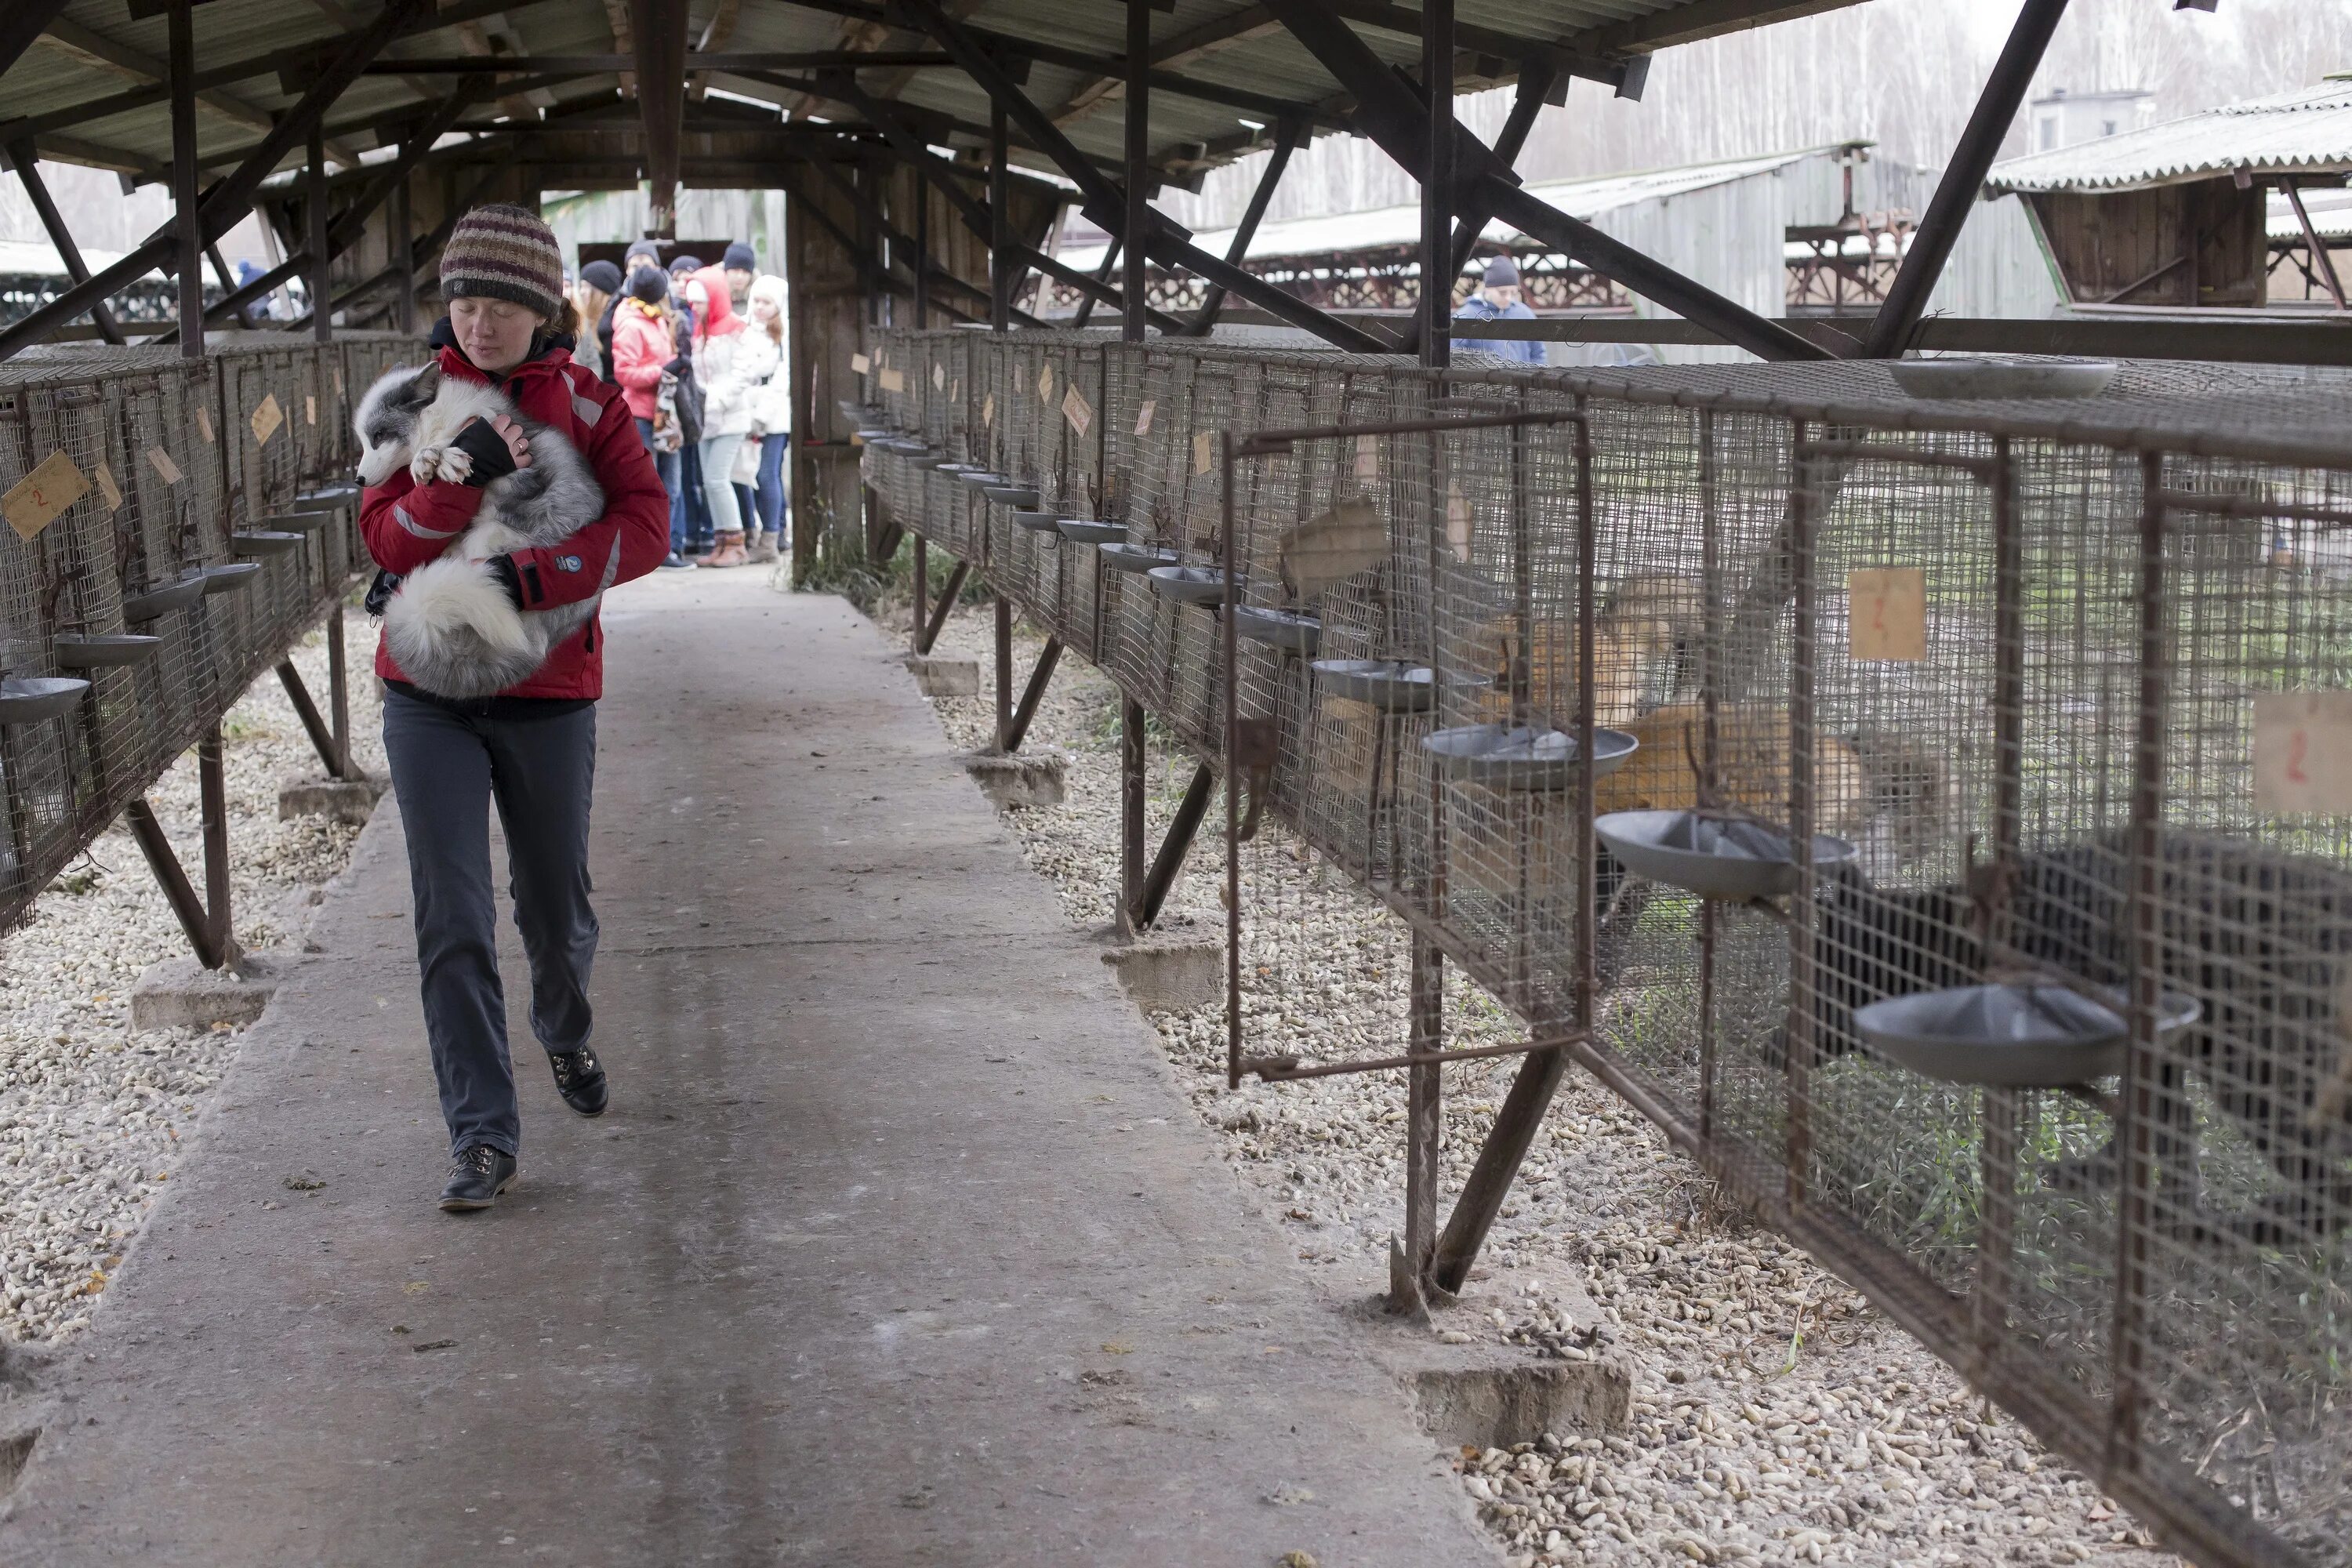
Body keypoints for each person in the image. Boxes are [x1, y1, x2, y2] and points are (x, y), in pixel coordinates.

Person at [354, 204, 670, 1213]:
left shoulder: (586, 403)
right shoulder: (412, 399)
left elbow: (648, 524)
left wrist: (533, 580)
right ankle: (482, 1134)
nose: (477, 323)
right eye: (462, 300)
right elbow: (387, 543)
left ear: (543, 311)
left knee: (551, 906)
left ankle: (565, 1026)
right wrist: (452, 488)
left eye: (499, 305)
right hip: (427, 693)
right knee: (451, 910)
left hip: (546, 690)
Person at [610, 264, 693, 569]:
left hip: (665, 415)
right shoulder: (632, 323)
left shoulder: (656, 319)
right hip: (642, 416)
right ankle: (651, 552)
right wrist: (663, 371)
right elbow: (624, 373)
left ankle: (666, 549)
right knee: (651, 488)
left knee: (671, 486)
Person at [684, 263, 760, 568]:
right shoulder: (697, 331)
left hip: (731, 417)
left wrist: (714, 400)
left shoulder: (737, 329)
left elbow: (744, 374)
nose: (694, 307)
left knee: (717, 479)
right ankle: (721, 544)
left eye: (700, 301)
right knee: (709, 480)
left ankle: (736, 545)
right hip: (706, 420)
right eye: (692, 301)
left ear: (715, 297)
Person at [746, 273, 790, 564]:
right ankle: (777, 533)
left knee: (767, 474)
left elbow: (782, 379)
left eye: (767, 302)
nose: (760, 307)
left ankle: (770, 538)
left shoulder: (784, 334)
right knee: (749, 475)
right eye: (757, 300)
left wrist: (762, 415)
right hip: (746, 411)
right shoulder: (745, 329)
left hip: (774, 415)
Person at [1454, 255, 1545, 365]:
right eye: (1502, 292)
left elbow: (1539, 353)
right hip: (1479, 381)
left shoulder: (1525, 314)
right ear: (1487, 288)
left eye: (1513, 293)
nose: (1508, 298)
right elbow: (1454, 356)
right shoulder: (1465, 316)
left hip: (1520, 380)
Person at [572, 260, 621, 380]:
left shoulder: (612, 323)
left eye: (586, 286)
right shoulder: (594, 319)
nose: (581, 292)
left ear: (601, 290)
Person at [721, 242, 757, 309]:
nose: (740, 276)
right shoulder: (713, 300)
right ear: (725, 271)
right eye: (735, 270)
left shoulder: (760, 303)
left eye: (745, 272)